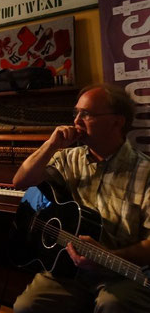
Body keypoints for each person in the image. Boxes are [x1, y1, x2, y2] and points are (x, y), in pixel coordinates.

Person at [12, 84, 150, 313]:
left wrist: (109, 257)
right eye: (75, 113)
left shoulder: (145, 172)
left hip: (122, 274)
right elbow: (21, 181)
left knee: (112, 304)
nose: (76, 121)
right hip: (68, 269)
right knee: (25, 306)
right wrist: (51, 144)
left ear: (117, 121)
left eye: (86, 114)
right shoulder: (68, 159)